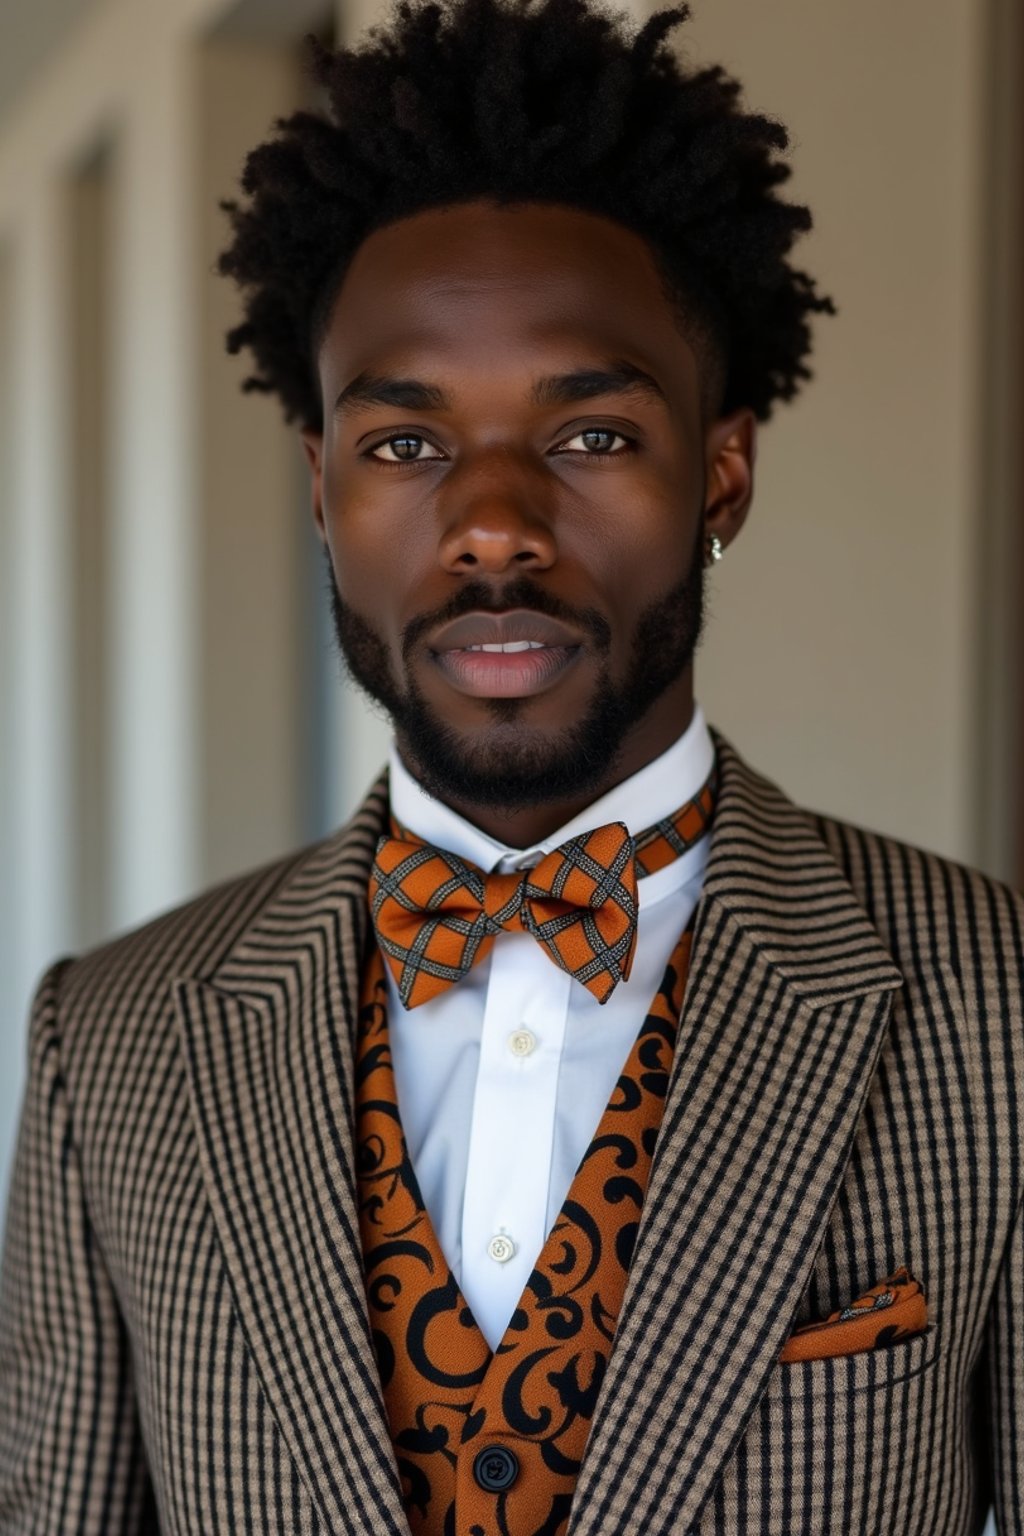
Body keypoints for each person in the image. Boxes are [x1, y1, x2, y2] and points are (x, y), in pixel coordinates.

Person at [1, 0, 1021, 1529]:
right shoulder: (118, 1041)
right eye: (405, 446)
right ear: (321, 488)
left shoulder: (996, 1007)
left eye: (593, 437)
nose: (492, 523)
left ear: (720, 473)